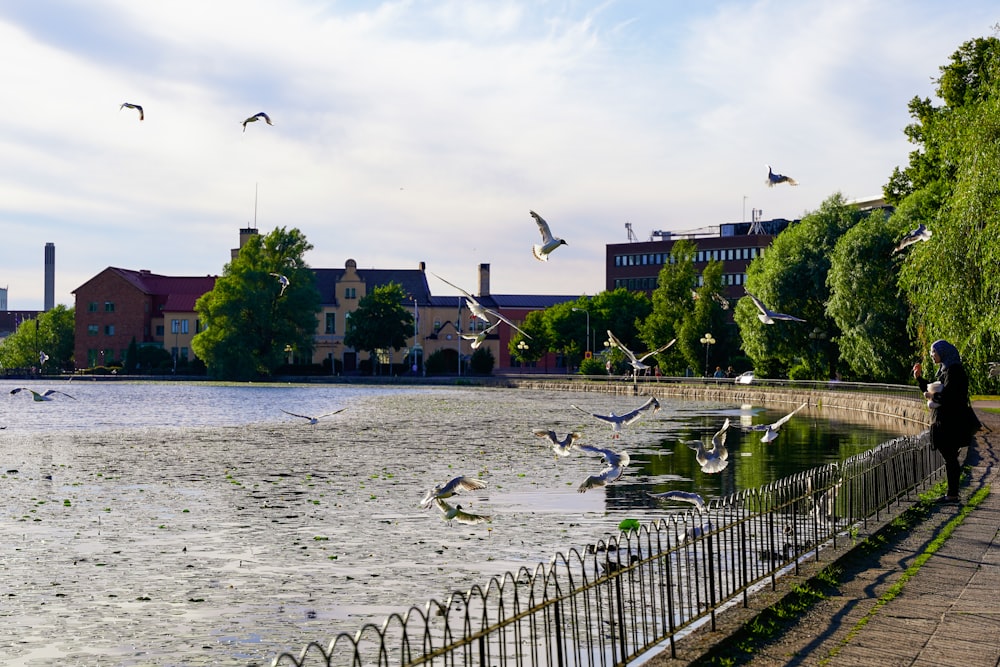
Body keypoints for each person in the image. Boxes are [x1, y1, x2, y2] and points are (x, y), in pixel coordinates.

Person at [912, 339, 971, 504]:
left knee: (950, 458)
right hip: (944, 421)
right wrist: (919, 379)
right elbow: (933, 391)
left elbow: (950, 397)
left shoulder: (954, 371)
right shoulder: (945, 370)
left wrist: (930, 396)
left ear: (943, 352)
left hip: (950, 421)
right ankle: (951, 493)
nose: (932, 355)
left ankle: (952, 495)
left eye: (934, 352)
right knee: (950, 457)